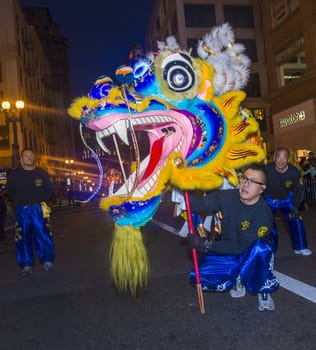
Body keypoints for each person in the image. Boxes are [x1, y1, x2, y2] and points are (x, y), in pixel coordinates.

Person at [187, 163, 279, 311]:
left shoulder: (264, 215)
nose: (246, 184)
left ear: (262, 189)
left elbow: (239, 246)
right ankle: (237, 276)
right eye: (244, 178)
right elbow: (198, 204)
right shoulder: (227, 196)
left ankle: (263, 289)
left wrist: (205, 244)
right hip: (228, 248)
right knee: (198, 277)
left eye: (253, 181)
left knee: (261, 249)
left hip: (249, 250)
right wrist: (184, 184)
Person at [5, 147, 55, 276]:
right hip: (22, 210)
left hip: (39, 209)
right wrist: (19, 202)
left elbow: (49, 188)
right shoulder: (15, 174)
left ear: (34, 158)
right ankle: (26, 264)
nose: (28, 157)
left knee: (43, 235)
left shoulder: (41, 173)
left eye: (30, 155)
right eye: (26, 155)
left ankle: (47, 260)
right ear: (21, 159)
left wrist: (41, 200)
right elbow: (9, 190)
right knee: (23, 237)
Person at [264, 147, 312, 256]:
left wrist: (295, 207)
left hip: (286, 199)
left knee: (296, 220)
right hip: (270, 199)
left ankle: (301, 247)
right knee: (268, 224)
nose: (281, 160)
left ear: (288, 159)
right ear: (274, 158)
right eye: (278, 157)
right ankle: (270, 249)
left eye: (284, 157)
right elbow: (259, 184)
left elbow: (298, 190)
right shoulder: (266, 169)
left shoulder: (294, 172)